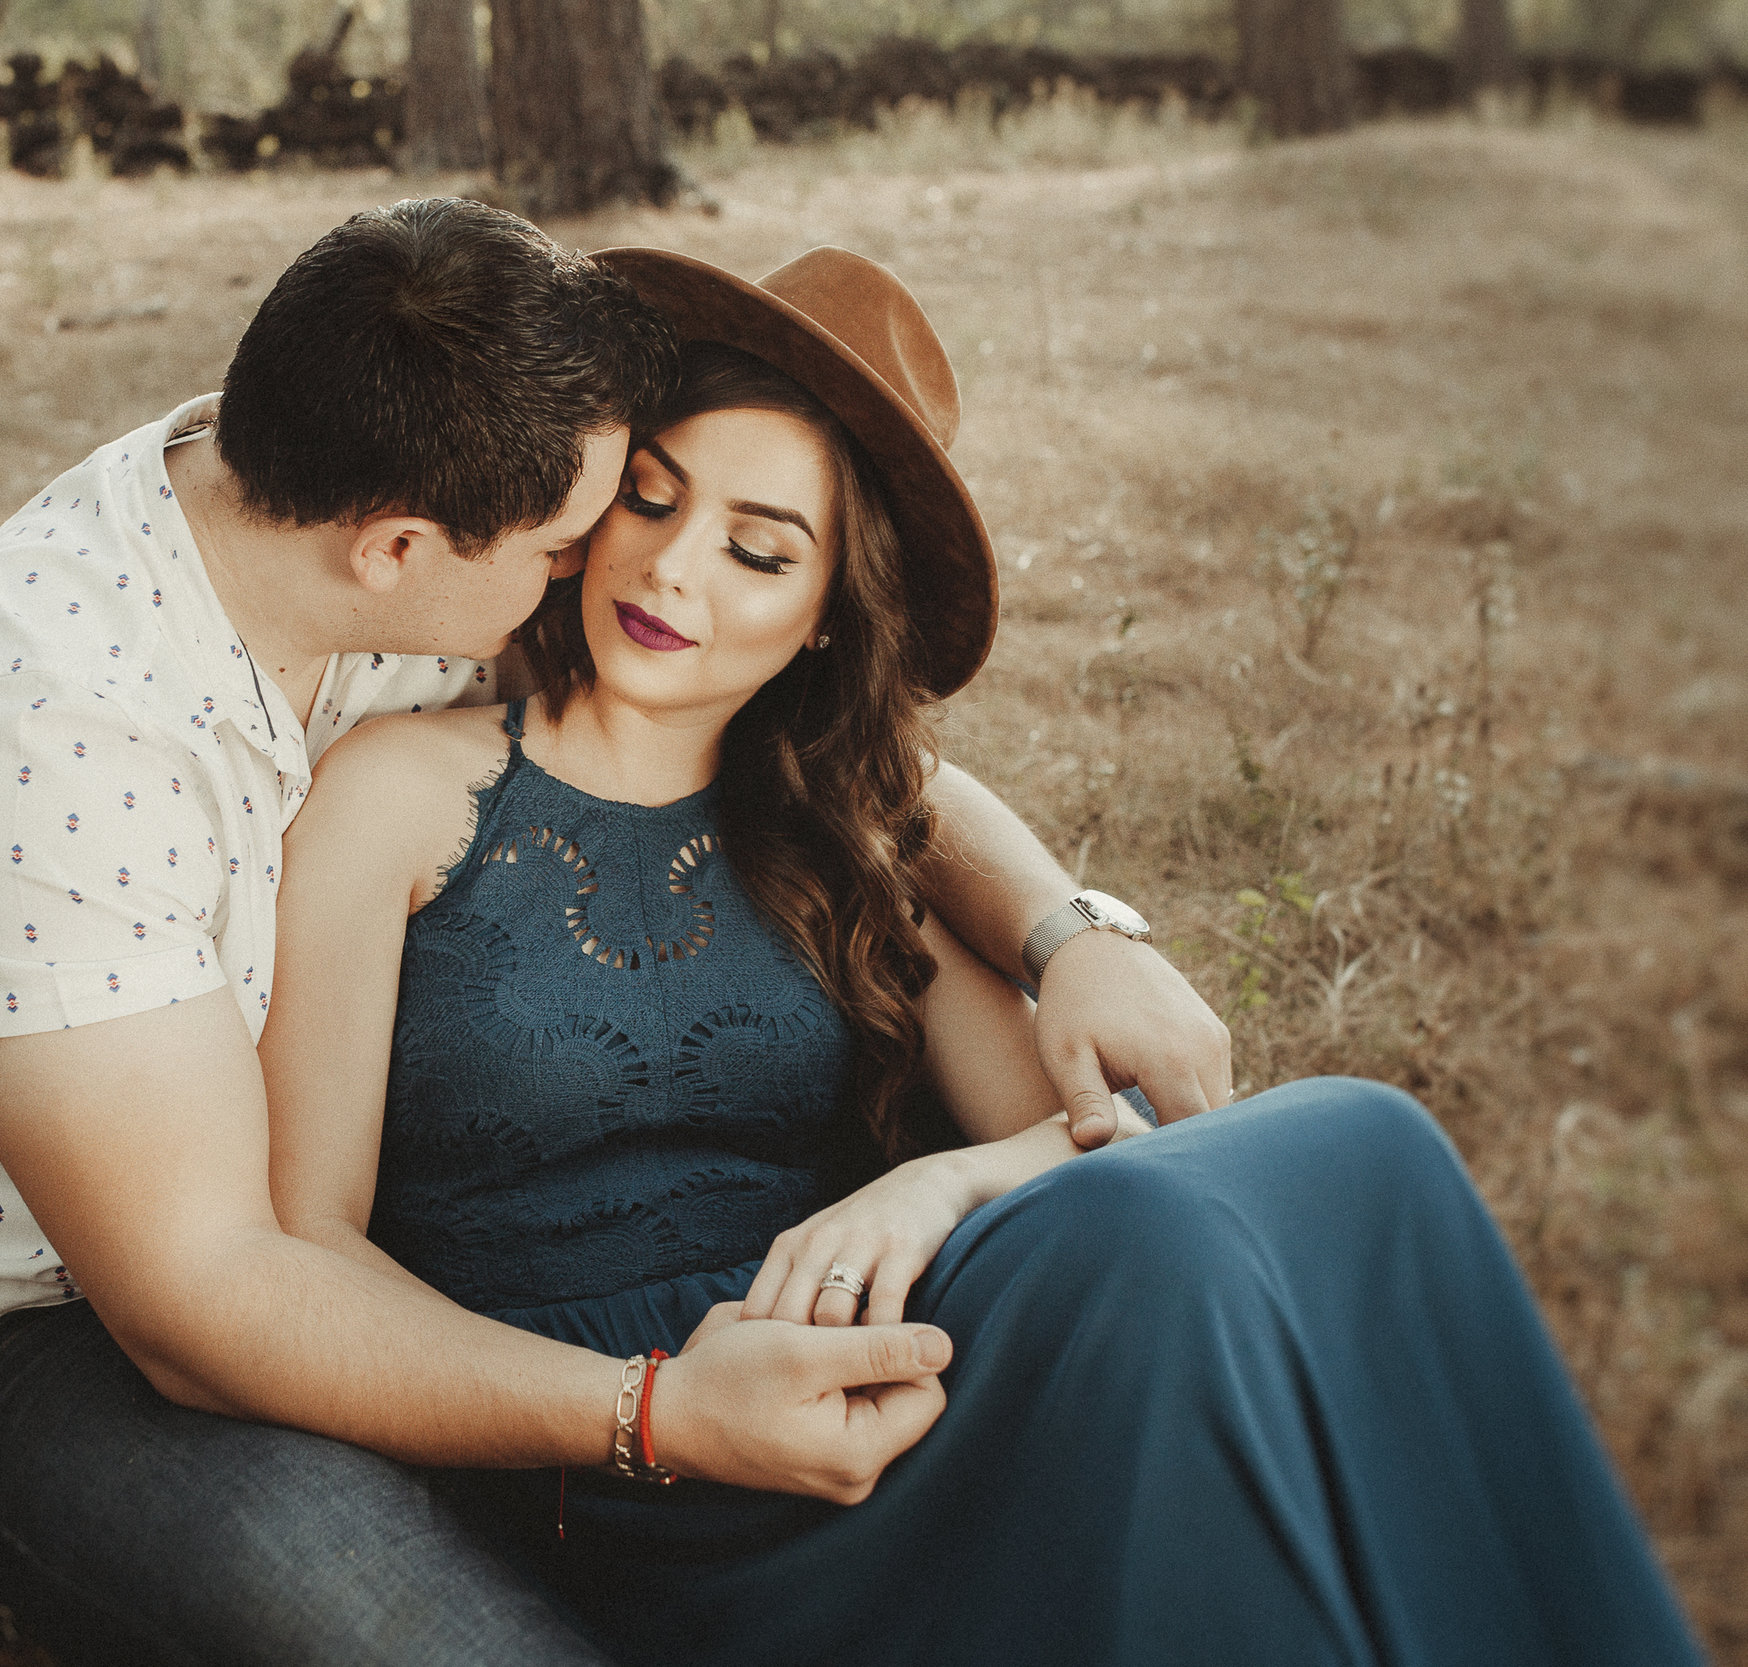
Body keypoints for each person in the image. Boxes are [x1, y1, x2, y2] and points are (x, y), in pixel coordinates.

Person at [0, 200, 1235, 1664]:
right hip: (63, 1331)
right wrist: (655, 1413)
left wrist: (1074, 933)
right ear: (403, 549)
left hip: (346, 1259)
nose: (627, 571)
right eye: (581, 539)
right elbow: (206, 1297)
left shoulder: (380, 479)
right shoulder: (40, 744)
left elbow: (853, 770)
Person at [260, 245, 1705, 1665]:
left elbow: (1091, 1145)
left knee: (1366, 1147)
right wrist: (632, 1404)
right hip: (611, 1451)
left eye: (760, 550)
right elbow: (305, 1242)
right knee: (1167, 1252)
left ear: (826, 618)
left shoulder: (842, 839)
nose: (674, 569)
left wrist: (933, 1181)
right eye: (651, 500)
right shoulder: (402, 790)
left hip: (870, 1381)